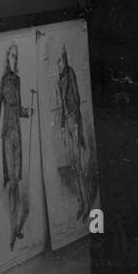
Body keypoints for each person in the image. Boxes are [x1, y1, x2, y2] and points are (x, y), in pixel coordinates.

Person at [0, 42, 33, 251]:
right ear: (7, 59)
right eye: (12, 56)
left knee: (16, 183)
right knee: (12, 185)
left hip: (18, 135)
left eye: (16, 56)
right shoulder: (3, 80)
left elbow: (19, 109)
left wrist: (29, 111)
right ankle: (12, 230)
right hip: (7, 136)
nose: (14, 60)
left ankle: (15, 226)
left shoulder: (18, 80)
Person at [57, 45, 92, 224]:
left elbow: (76, 99)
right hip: (67, 123)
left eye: (60, 60)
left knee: (79, 166)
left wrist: (76, 125)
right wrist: (62, 128)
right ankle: (81, 204)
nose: (58, 64)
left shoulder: (70, 74)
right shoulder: (59, 80)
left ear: (65, 59)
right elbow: (61, 107)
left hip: (75, 121)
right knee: (73, 166)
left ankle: (87, 205)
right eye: (57, 62)